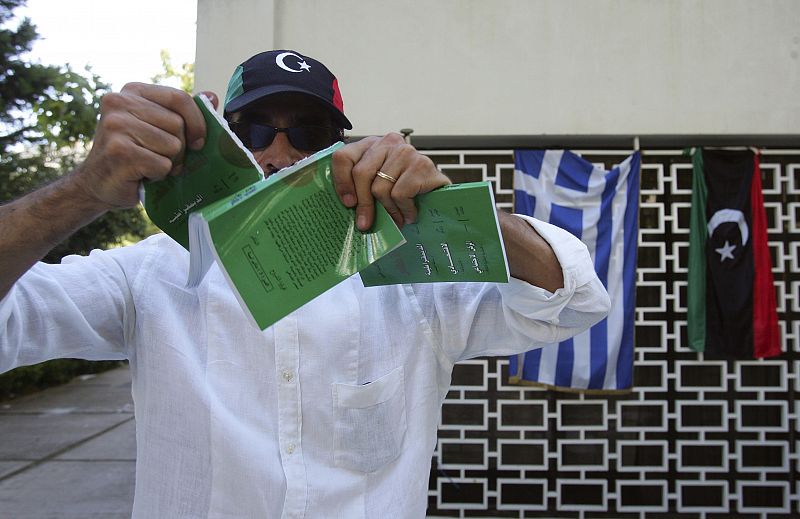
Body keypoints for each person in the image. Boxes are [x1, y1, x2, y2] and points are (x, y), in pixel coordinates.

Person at [0, 50, 610, 518]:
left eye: (309, 132)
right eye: (255, 130)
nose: (280, 153)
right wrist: (84, 190)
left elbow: (575, 300)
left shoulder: (409, 276)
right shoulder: (151, 272)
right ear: (225, 141)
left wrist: (453, 212)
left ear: (338, 147)